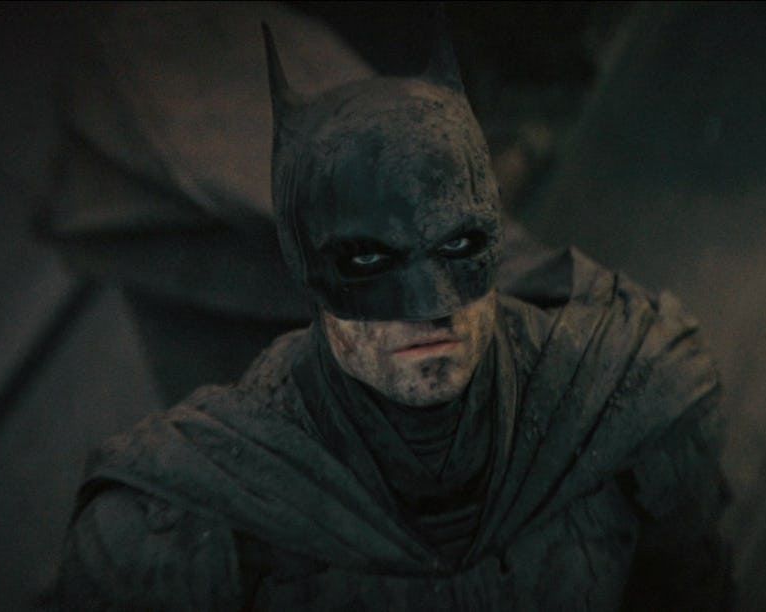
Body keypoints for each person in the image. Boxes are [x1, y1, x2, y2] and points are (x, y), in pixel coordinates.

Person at [58, 18, 732, 611]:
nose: (429, 306)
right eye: (368, 261)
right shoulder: (173, 525)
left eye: (458, 246)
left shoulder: (633, 393)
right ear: (304, 268)